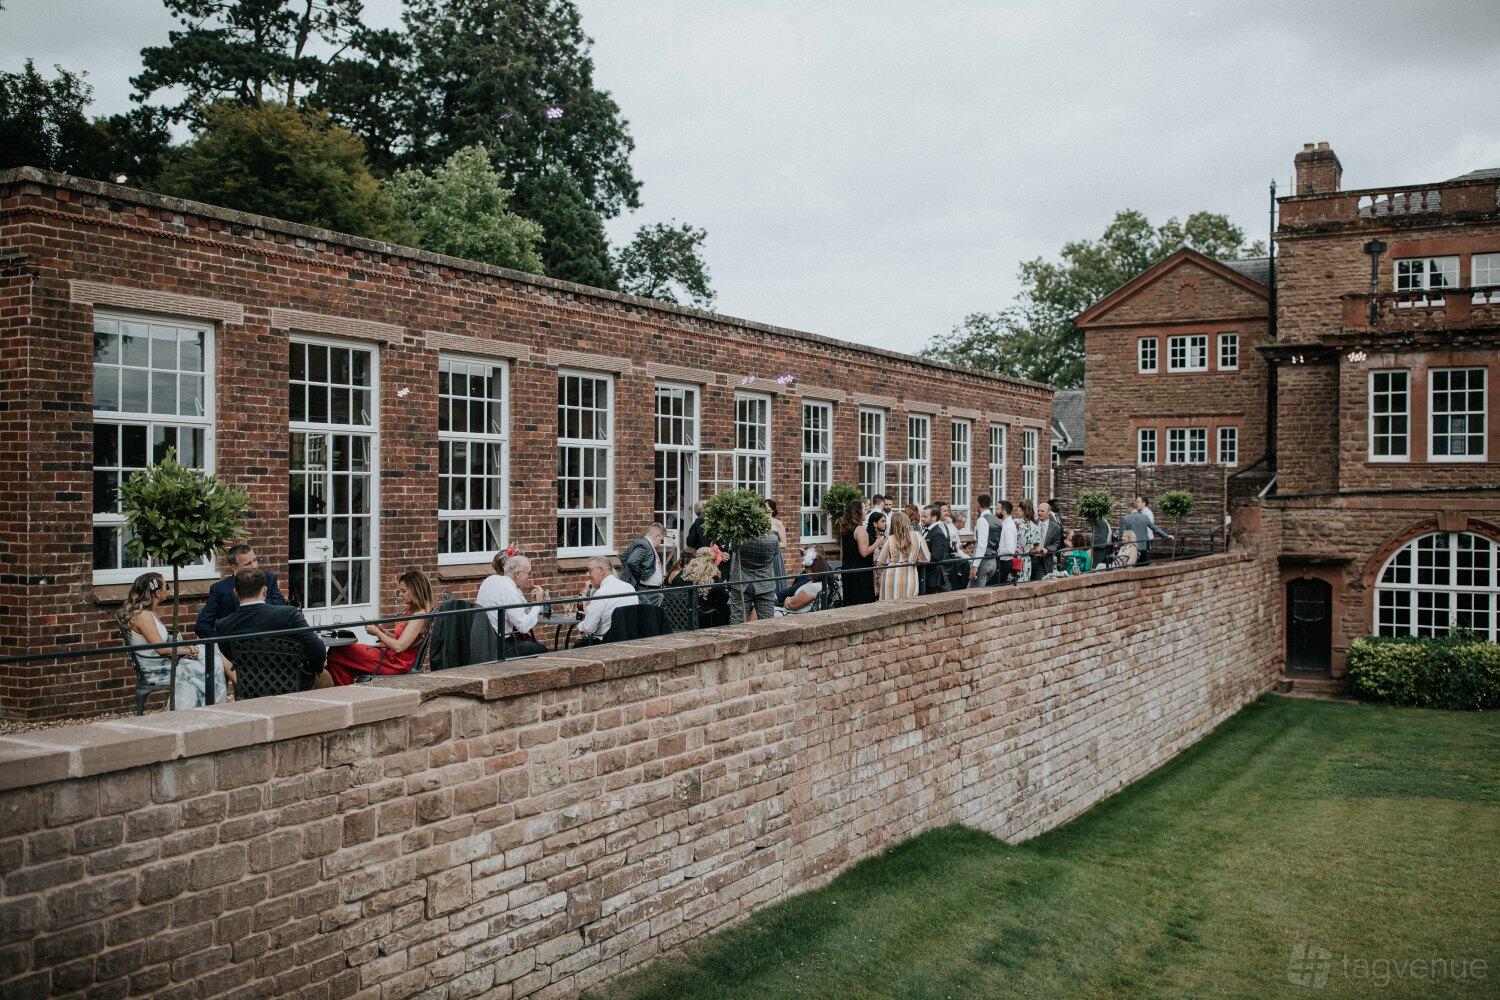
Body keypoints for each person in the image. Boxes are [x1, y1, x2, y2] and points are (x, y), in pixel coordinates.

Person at [120, 571, 227, 709]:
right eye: (167, 586)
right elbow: (162, 650)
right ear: (158, 593)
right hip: (157, 668)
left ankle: (207, 706)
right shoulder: (144, 616)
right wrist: (186, 650)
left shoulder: (148, 613)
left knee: (211, 651)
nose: (168, 589)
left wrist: (187, 650)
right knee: (210, 660)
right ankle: (213, 706)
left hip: (164, 661)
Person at [215, 567, 326, 691]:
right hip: (294, 685)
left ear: (235, 593)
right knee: (325, 677)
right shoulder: (289, 614)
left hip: (251, 688)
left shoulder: (223, 625)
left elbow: (230, 659)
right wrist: (316, 669)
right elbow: (318, 650)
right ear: (265, 590)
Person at [196, 542, 286, 682]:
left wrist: (255, 604)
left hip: (268, 645)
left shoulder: (268, 578)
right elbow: (202, 625)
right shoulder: (220, 589)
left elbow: (281, 605)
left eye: (255, 560)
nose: (254, 566)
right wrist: (221, 644)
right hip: (233, 649)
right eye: (248, 564)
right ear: (234, 567)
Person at [324, 571, 433, 685]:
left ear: (415, 591)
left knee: (337, 651)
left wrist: (378, 633)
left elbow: (399, 646)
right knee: (338, 656)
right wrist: (382, 631)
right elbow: (402, 639)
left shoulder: (418, 616)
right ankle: (346, 691)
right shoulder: (412, 611)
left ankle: (344, 692)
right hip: (390, 657)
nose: (400, 594)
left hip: (396, 663)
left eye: (403, 591)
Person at [476, 554, 549, 656]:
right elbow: (523, 626)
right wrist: (538, 603)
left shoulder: (489, 580)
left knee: (530, 643)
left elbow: (522, 608)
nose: (529, 577)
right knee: (542, 650)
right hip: (499, 644)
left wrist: (534, 604)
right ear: (518, 574)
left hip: (482, 640)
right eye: (529, 573)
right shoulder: (509, 589)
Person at [576, 556, 639, 644]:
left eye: (590, 570)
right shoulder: (629, 587)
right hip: (630, 639)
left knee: (577, 644)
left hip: (606, 642)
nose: (587, 575)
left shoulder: (601, 593)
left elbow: (589, 627)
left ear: (601, 570)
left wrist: (579, 626)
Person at [730, 526, 781, 624]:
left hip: (742, 581)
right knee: (767, 622)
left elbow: (734, 549)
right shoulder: (773, 539)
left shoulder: (739, 538)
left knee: (737, 621)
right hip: (765, 582)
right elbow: (775, 553)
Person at [876, 510, 928, 601]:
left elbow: (880, 562)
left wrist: (879, 576)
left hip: (891, 575)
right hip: (910, 574)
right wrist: (915, 558)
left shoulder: (890, 539)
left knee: (890, 604)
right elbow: (927, 558)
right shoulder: (917, 535)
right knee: (909, 604)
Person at [840, 502, 881, 607]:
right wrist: (877, 542)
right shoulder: (860, 529)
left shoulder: (846, 529)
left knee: (850, 604)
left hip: (848, 570)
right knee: (862, 603)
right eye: (864, 509)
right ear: (858, 512)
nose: (866, 511)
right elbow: (864, 552)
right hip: (860, 573)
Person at [679, 547, 730, 628]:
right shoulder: (714, 577)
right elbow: (724, 597)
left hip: (683, 615)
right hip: (706, 617)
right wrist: (720, 581)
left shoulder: (686, 573)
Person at [619, 524, 667, 606]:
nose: (660, 542)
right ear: (657, 536)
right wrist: (640, 575)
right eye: (661, 539)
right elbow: (631, 562)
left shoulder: (645, 544)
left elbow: (624, 558)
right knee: (648, 616)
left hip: (650, 590)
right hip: (647, 590)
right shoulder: (644, 545)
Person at [775, 548, 829, 615]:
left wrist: (787, 600)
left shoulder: (813, 587)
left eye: (807, 567)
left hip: (793, 615)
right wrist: (789, 599)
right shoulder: (821, 583)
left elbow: (792, 606)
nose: (805, 570)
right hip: (796, 612)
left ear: (815, 569)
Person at [1122, 500, 1172, 565]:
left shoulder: (1125, 518)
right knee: (1143, 567)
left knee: (1130, 568)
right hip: (1143, 546)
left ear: (1130, 507)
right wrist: (1167, 536)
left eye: (1127, 508)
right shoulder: (1144, 517)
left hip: (1131, 547)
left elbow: (1122, 534)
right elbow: (1155, 529)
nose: (1127, 509)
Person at [971, 494, 1003, 587]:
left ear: (978, 505)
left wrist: (974, 566)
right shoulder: (998, 521)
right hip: (993, 562)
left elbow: (981, 545)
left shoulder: (982, 520)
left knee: (972, 592)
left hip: (983, 562)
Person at [921, 504, 951, 595]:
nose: (922, 518)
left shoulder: (938, 533)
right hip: (925, 574)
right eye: (922, 516)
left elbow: (937, 556)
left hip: (932, 577)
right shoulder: (926, 530)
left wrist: (920, 557)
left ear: (933, 518)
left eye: (925, 516)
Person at [1034, 501, 1064, 578]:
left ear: (1049, 512)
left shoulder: (1056, 527)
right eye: (1038, 511)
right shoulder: (1033, 523)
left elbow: (1057, 543)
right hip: (1033, 558)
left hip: (1047, 559)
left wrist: (1047, 550)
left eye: (1042, 511)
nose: (1039, 513)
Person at [941, 504, 968, 590]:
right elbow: (955, 550)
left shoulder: (951, 528)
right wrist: (970, 559)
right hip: (952, 563)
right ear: (957, 522)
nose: (964, 526)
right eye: (963, 524)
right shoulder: (953, 531)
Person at [1015, 499, 1041, 583]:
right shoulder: (1035, 526)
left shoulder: (1016, 523)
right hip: (1027, 560)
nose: (1017, 511)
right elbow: (1037, 549)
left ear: (1023, 511)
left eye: (1019, 509)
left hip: (1014, 558)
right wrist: (1028, 550)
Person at [765, 499, 788, 585]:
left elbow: (784, 544)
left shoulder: (778, 524)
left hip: (774, 556)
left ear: (772, 509)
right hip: (763, 555)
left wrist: (770, 543)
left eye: (765, 506)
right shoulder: (758, 522)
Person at [996, 500, 1020, 585]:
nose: (996, 511)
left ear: (1004, 511)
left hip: (1005, 563)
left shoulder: (1008, 526)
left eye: (998, 509)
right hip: (1003, 562)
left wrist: (998, 552)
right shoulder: (1005, 524)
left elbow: (1010, 549)